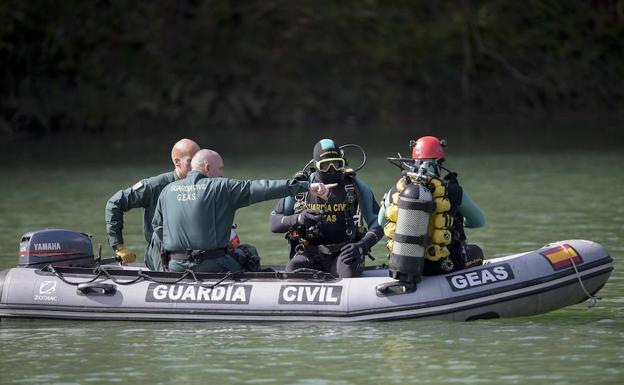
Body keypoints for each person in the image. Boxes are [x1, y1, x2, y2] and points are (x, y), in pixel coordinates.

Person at [152, 149, 334, 273]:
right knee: (249, 252)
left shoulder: (168, 190)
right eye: (220, 169)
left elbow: (157, 228)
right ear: (208, 168)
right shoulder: (222, 187)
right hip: (212, 265)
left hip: (175, 266)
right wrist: (306, 186)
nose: (222, 174)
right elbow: (265, 188)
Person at [270, 139, 383, 278]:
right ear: (316, 165)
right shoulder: (300, 187)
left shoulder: (356, 187)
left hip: (345, 253)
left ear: (343, 162)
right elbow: (274, 223)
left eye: (336, 164)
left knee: (347, 272)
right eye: (324, 166)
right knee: (293, 268)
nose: (331, 169)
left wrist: (362, 246)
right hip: (311, 253)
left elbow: (378, 224)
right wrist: (299, 218)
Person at [379, 135, 485, 276]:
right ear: (439, 162)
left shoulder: (396, 190)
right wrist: (451, 222)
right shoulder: (454, 191)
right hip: (443, 267)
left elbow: (381, 222)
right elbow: (479, 221)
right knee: (476, 251)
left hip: (404, 266)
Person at [105, 138, 200, 269]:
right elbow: (114, 203)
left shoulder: (203, 186)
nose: (197, 166)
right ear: (177, 162)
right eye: (191, 161)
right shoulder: (154, 186)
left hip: (190, 251)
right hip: (159, 251)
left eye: (199, 160)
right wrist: (118, 246)